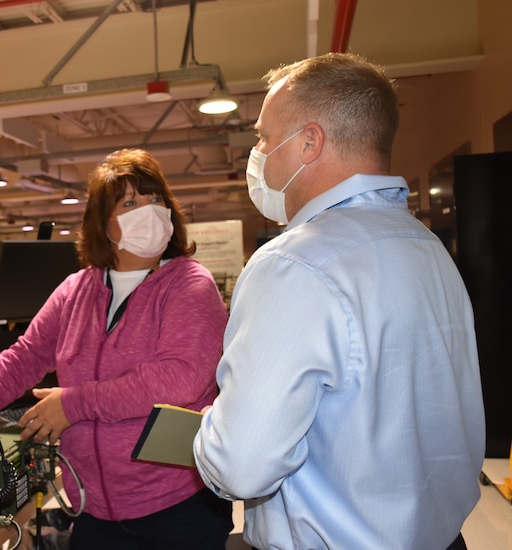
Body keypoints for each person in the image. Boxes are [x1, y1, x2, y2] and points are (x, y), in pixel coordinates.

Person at [193, 53, 485, 550]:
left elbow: (242, 465)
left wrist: (212, 435)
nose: (259, 153)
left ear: (309, 141)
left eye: (264, 137)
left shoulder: (293, 264)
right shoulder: (427, 247)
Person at [0, 148, 233, 549]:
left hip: (177, 506)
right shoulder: (76, 290)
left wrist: (73, 404)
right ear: (103, 227)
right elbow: (24, 358)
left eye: (155, 199)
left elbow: (178, 377)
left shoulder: (189, 284)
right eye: (130, 203)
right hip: (94, 510)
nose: (150, 211)